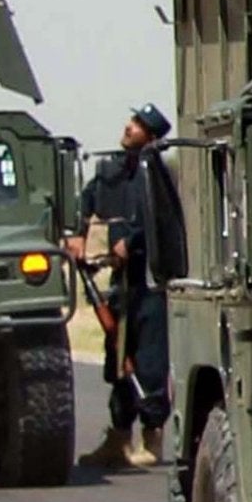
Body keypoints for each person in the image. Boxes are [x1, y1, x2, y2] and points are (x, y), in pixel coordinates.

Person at [65, 103, 187, 470]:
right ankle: (118, 438)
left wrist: (130, 241)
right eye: (132, 121)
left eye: (137, 125)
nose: (129, 127)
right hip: (123, 285)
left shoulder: (155, 175)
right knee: (118, 360)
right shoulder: (115, 170)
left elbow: (158, 221)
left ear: (150, 137)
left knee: (149, 362)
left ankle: (152, 437)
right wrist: (77, 233)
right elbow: (87, 199)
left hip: (149, 283)